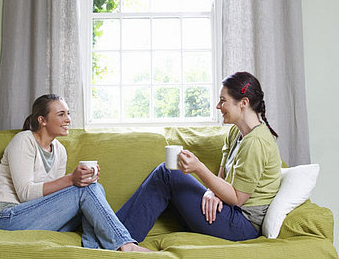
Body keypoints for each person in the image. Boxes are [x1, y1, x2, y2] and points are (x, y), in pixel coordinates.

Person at [116, 71, 282, 242]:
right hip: (228, 211)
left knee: (168, 174)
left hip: (243, 225)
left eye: (223, 100)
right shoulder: (236, 132)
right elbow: (223, 174)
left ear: (243, 103)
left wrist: (199, 168)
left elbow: (237, 198)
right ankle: (115, 234)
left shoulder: (256, 142)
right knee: (166, 173)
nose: (218, 106)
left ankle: (117, 238)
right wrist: (212, 192)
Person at [0, 94, 152, 252]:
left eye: (68, 114)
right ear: (42, 120)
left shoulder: (59, 150)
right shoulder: (24, 140)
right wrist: (72, 180)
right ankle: (126, 244)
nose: (68, 119)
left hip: (37, 217)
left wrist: (83, 180)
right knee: (87, 191)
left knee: (94, 189)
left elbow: (55, 196)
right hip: (7, 218)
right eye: (61, 114)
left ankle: (93, 250)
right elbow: (25, 193)